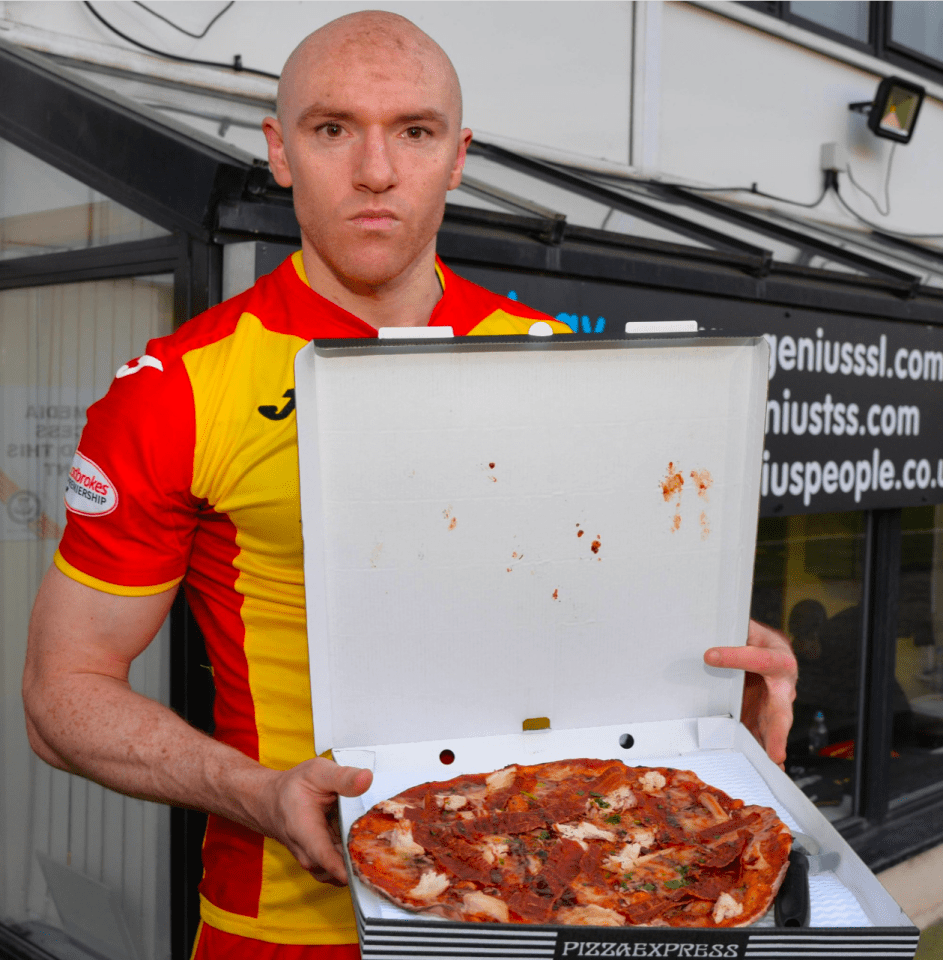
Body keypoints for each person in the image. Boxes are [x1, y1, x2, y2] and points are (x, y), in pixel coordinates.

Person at [21, 10, 798, 959]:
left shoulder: (553, 362)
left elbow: (606, 633)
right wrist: (252, 792)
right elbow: (61, 695)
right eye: (333, 128)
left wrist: (723, 701)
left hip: (550, 904)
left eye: (415, 132)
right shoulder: (180, 389)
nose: (376, 172)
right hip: (284, 922)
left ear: (457, 156)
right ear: (279, 150)